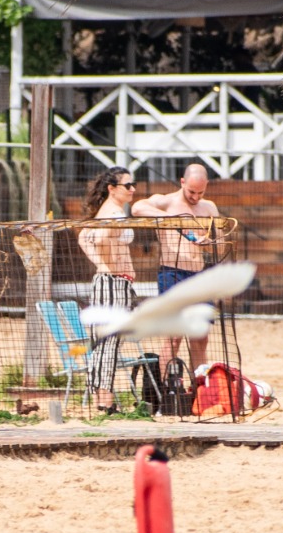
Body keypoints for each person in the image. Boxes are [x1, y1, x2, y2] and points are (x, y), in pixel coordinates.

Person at [132, 162, 221, 370]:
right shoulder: (165, 201)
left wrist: (207, 242)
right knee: (174, 337)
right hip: (172, 274)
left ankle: (199, 389)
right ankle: (166, 390)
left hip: (199, 275)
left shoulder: (209, 207)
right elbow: (137, 208)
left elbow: (216, 243)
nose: (196, 197)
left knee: (201, 336)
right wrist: (171, 218)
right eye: (191, 191)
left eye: (201, 192)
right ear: (182, 182)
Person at [77, 167, 138, 412]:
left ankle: (100, 402)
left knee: (104, 343)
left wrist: (100, 263)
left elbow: (84, 236)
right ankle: (106, 402)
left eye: (133, 185)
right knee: (109, 343)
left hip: (110, 281)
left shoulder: (108, 211)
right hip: (112, 283)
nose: (133, 189)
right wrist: (107, 264)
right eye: (128, 185)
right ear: (112, 188)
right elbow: (100, 239)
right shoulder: (113, 213)